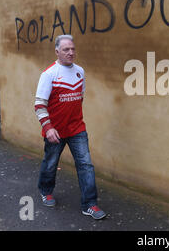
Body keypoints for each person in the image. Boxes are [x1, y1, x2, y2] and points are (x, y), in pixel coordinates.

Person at [34, 34, 106, 220]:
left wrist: (73, 119)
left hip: (77, 129)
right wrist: (48, 127)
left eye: (73, 49)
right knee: (50, 164)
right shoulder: (49, 74)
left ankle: (90, 204)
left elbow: (79, 98)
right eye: (66, 49)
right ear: (57, 51)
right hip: (55, 132)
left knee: (86, 165)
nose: (71, 52)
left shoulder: (80, 71)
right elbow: (39, 104)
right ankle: (45, 190)